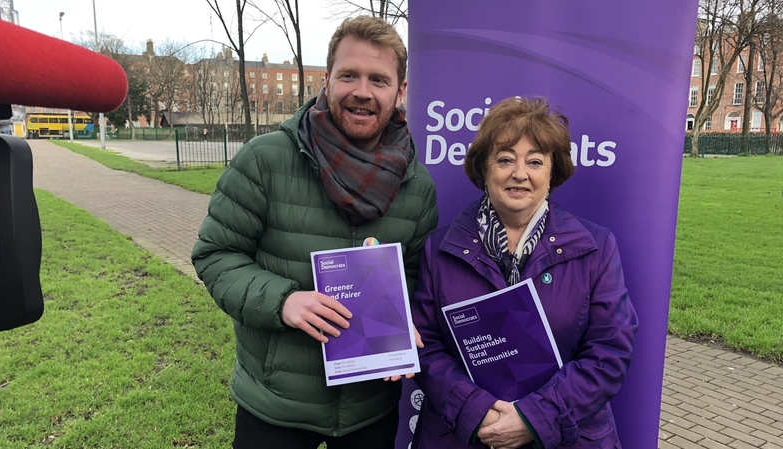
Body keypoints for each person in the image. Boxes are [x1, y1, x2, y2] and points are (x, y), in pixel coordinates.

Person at [191, 16, 438, 449]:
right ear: (326, 81)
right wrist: (284, 301)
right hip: (275, 405)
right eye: (349, 75)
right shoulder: (265, 159)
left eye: (379, 79)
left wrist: (407, 325)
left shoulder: (417, 187)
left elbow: (416, 277)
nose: (362, 91)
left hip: (370, 407)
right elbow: (216, 255)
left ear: (399, 92)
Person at [410, 97, 638, 448]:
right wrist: (477, 411)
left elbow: (610, 350)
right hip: (466, 435)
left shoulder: (597, 248)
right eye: (505, 160)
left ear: (552, 172)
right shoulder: (439, 249)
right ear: (484, 170)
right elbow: (426, 347)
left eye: (535, 161)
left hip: (565, 437)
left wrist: (536, 418)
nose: (519, 173)